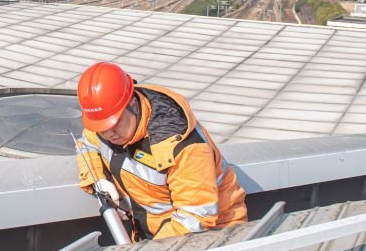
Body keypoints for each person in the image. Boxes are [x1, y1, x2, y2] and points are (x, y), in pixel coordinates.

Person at [75, 62, 247, 241]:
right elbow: (86, 144)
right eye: (101, 127)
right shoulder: (108, 122)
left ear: (133, 104)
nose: (108, 134)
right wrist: (99, 179)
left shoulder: (183, 147)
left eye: (115, 124)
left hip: (213, 237)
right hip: (153, 233)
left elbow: (195, 218)